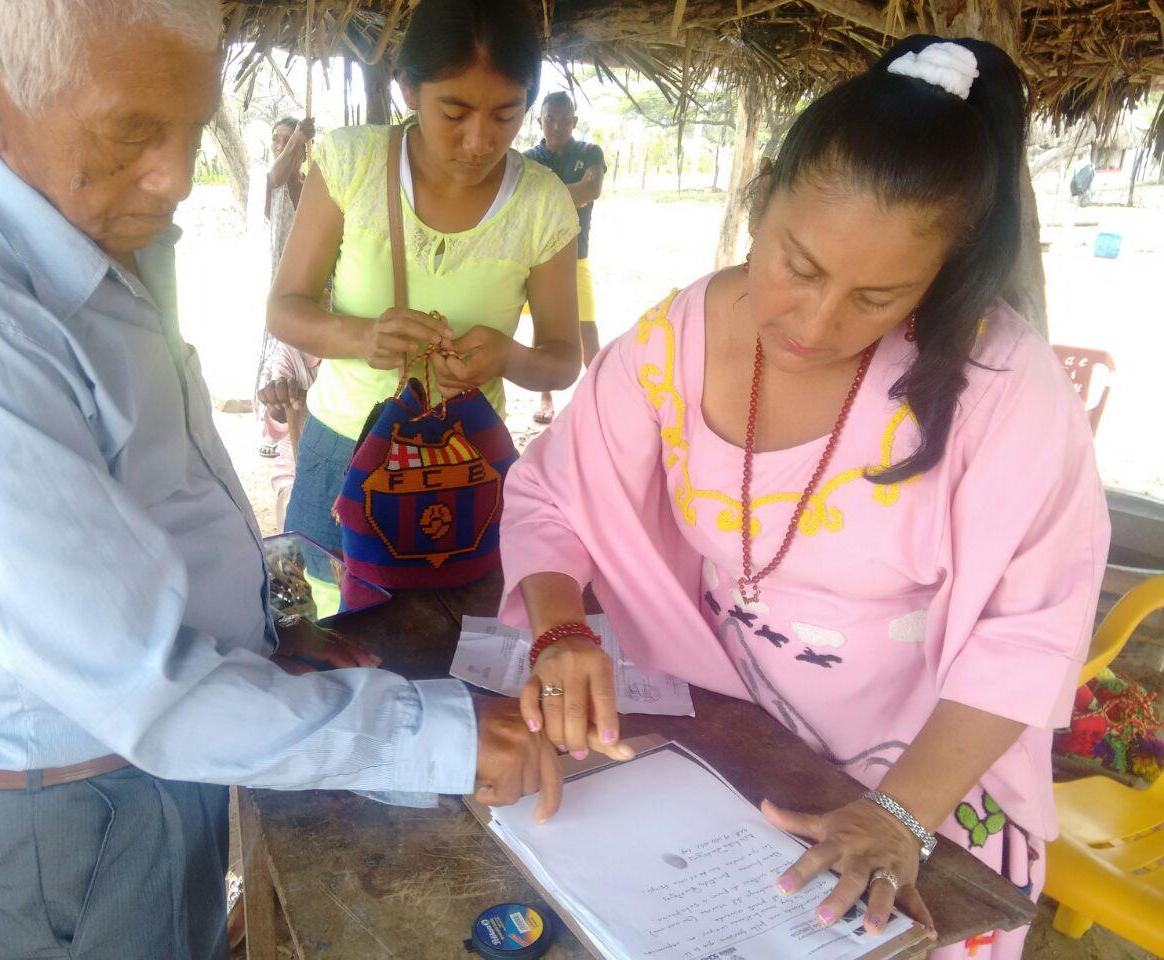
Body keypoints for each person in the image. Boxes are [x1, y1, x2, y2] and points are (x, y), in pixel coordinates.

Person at [0, 3, 577, 957]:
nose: (176, 178)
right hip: (84, 790)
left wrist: (264, 641)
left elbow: (150, 498)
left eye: (194, 129)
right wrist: (447, 740)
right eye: (134, 131)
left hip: (146, 758)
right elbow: (142, 688)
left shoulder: (75, 233)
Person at [498, 37, 1110, 960]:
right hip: (735, 759)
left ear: (940, 275)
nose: (817, 324)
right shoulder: (675, 342)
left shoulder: (1001, 384)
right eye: (801, 266)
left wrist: (901, 814)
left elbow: (1030, 631)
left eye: (879, 297)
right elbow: (555, 494)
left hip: (930, 798)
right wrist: (560, 630)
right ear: (761, 199)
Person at [268, 0, 582, 552]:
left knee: (454, 605)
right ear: (409, 89)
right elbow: (284, 310)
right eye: (455, 113)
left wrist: (507, 357)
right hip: (341, 450)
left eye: (506, 114)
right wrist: (363, 337)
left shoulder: (543, 204)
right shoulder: (351, 165)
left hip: (464, 459)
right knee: (329, 603)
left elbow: (562, 359)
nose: (479, 142)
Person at [524, 91, 606, 425]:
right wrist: (572, 193)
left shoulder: (590, 152)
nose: (557, 126)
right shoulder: (527, 159)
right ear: (540, 121)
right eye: (550, 119)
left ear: (574, 121)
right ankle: (545, 396)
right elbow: (524, 201)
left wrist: (546, 195)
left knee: (587, 329)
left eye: (564, 119)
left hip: (576, 256)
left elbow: (592, 190)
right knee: (542, 328)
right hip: (535, 256)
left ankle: (602, 393)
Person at [257, 116, 315, 458]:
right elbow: (275, 177)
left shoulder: (312, 187)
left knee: (306, 366)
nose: (281, 146)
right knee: (278, 366)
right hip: (279, 291)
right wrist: (298, 139)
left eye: (288, 140)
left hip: (312, 289)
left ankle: (302, 432)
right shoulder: (267, 185)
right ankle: (275, 431)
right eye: (276, 140)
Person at [258, 340, 320, 530]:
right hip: (295, 471)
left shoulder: (362, 352)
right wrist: (279, 402)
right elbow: (281, 412)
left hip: (358, 470)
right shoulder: (292, 350)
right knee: (296, 514)